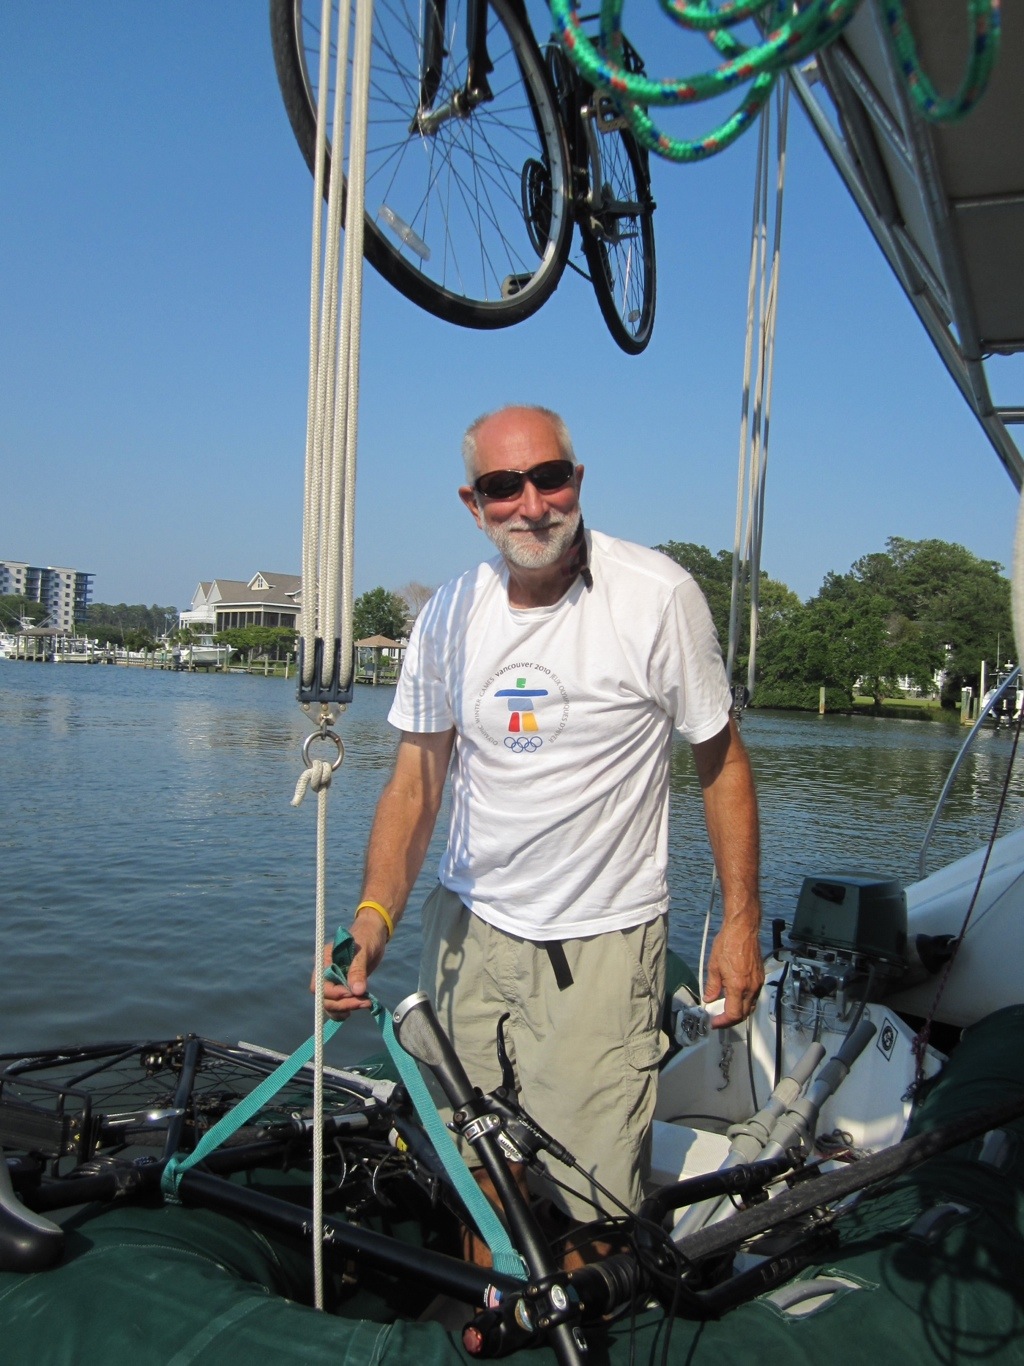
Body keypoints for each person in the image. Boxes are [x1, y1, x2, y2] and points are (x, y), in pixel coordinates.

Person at [319, 404, 762, 1253]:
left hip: (600, 943)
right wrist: (370, 924)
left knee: (595, 1198)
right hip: (467, 932)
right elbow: (415, 785)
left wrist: (740, 923)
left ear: (577, 480)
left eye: (549, 478)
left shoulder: (658, 595)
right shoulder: (449, 613)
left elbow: (724, 763)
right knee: (476, 1165)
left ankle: (586, 1306)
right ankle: (496, 1302)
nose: (531, 505)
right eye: (502, 486)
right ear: (473, 504)